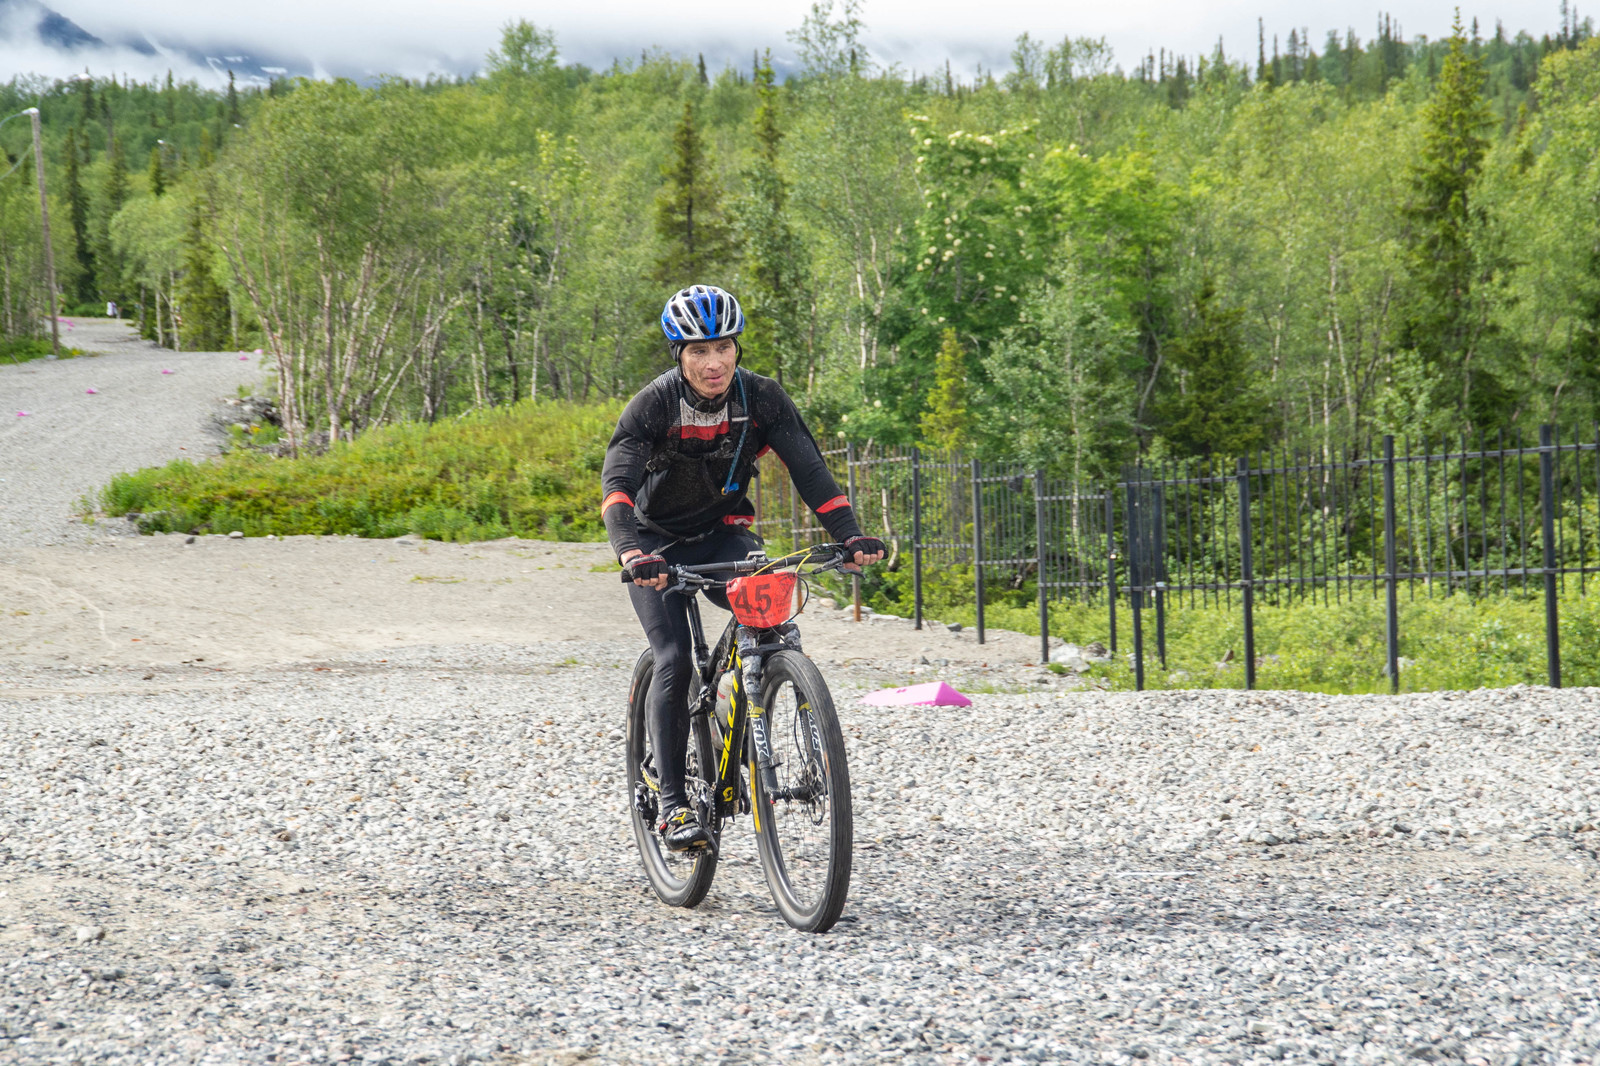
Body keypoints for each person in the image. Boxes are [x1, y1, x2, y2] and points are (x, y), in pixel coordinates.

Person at [602, 284, 885, 851]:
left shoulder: (763, 399)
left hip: (725, 536)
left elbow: (811, 472)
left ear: (737, 348)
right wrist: (633, 554)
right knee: (675, 658)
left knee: (769, 627)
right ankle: (674, 803)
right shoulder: (653, 406)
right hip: (656, 548)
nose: (714, 362)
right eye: (699, 350)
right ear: (678, 355)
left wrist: (849, 536)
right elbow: (617, 490)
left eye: (724, 347)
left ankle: (752, 686)